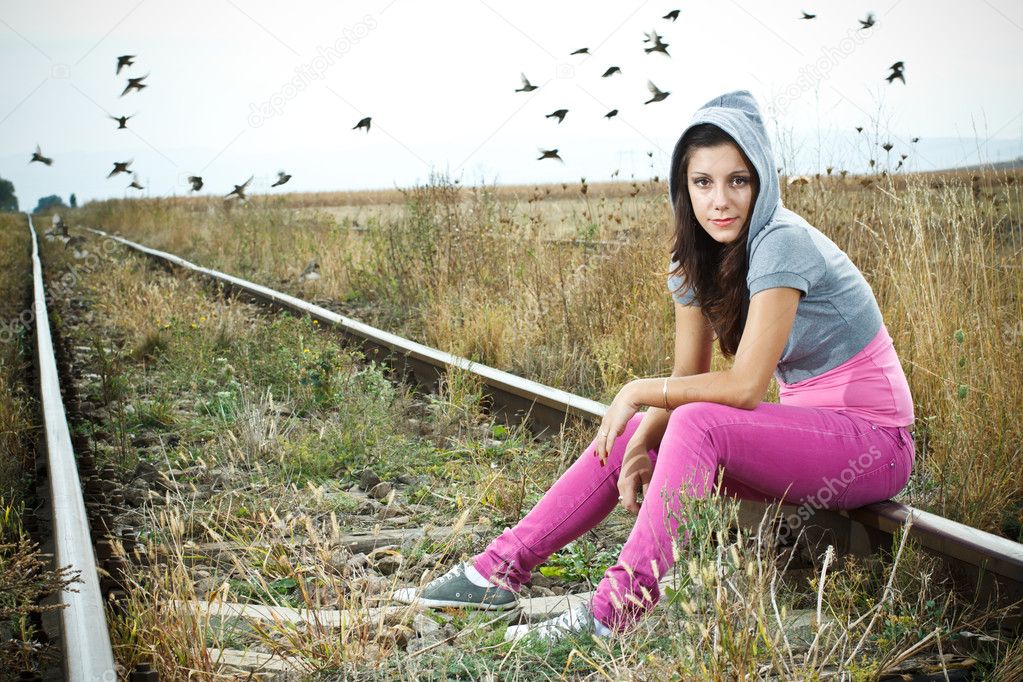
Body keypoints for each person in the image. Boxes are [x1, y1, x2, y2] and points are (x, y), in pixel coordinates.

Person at [392, 90, 915, 643]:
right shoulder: (695, 256)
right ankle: (496, 572)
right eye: (703, 182)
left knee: (686, 420)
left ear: (762, 180)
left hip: (874, 443)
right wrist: (642, 442)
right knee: (642, 433)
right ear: (681, 187)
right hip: (807, 433)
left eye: (738, 180)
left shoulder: (781, 243)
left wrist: (639, 391)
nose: (720, 201)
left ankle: (611, 614)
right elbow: (687, 379)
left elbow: (741, 388)